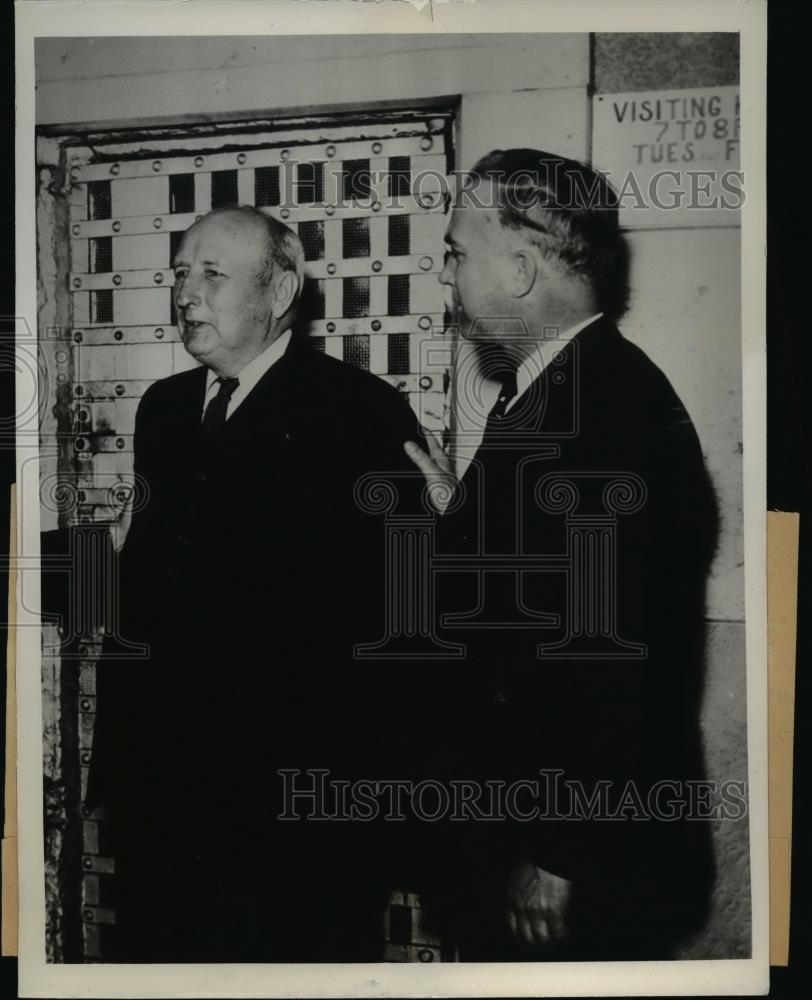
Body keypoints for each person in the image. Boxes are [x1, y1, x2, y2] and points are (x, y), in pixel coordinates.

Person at [86, 206, 424, 962]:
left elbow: (403, 617)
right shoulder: (164, 410)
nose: (184, 295)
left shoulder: (361, 413)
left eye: (211, 275)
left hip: (291, 813)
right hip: (160, 794)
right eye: (179, 274)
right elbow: (146, 566)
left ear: (279, 292)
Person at [405, 148, 718, 960]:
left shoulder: (604, 409)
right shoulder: (562, 387)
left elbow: (614, 658)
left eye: (455, 253)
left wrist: (558, 854)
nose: (445, 275)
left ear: (517, 268)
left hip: (569, 859)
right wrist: (459, 520)